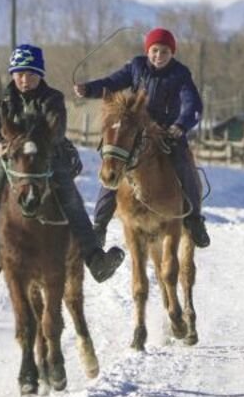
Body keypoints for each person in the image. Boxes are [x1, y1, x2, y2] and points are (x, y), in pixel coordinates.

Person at [0, 44, 126, 303]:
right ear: (13, 74)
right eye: (20, 74)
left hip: (48, 157)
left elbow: (56, 131)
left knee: (71, 200)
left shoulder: (53, 98)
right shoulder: (2, 99)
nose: (25, 80)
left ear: (40, 75)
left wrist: (32, 141)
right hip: (12, 161)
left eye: (31, 74)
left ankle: (95, 258)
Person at [73, 27, 211, 248]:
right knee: (114, 166)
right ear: (148, 50)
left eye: (164, 52)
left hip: (168, 132)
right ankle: (99, 225)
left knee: (185, 165)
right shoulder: (136, 66)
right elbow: (112, 82)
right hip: (137, 129)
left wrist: (181, 125)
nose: (159, 56)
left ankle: (194, 219)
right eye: (155, 50)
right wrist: (89, 89)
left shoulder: (180, 74)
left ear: (172, 53)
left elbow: (192, 103)